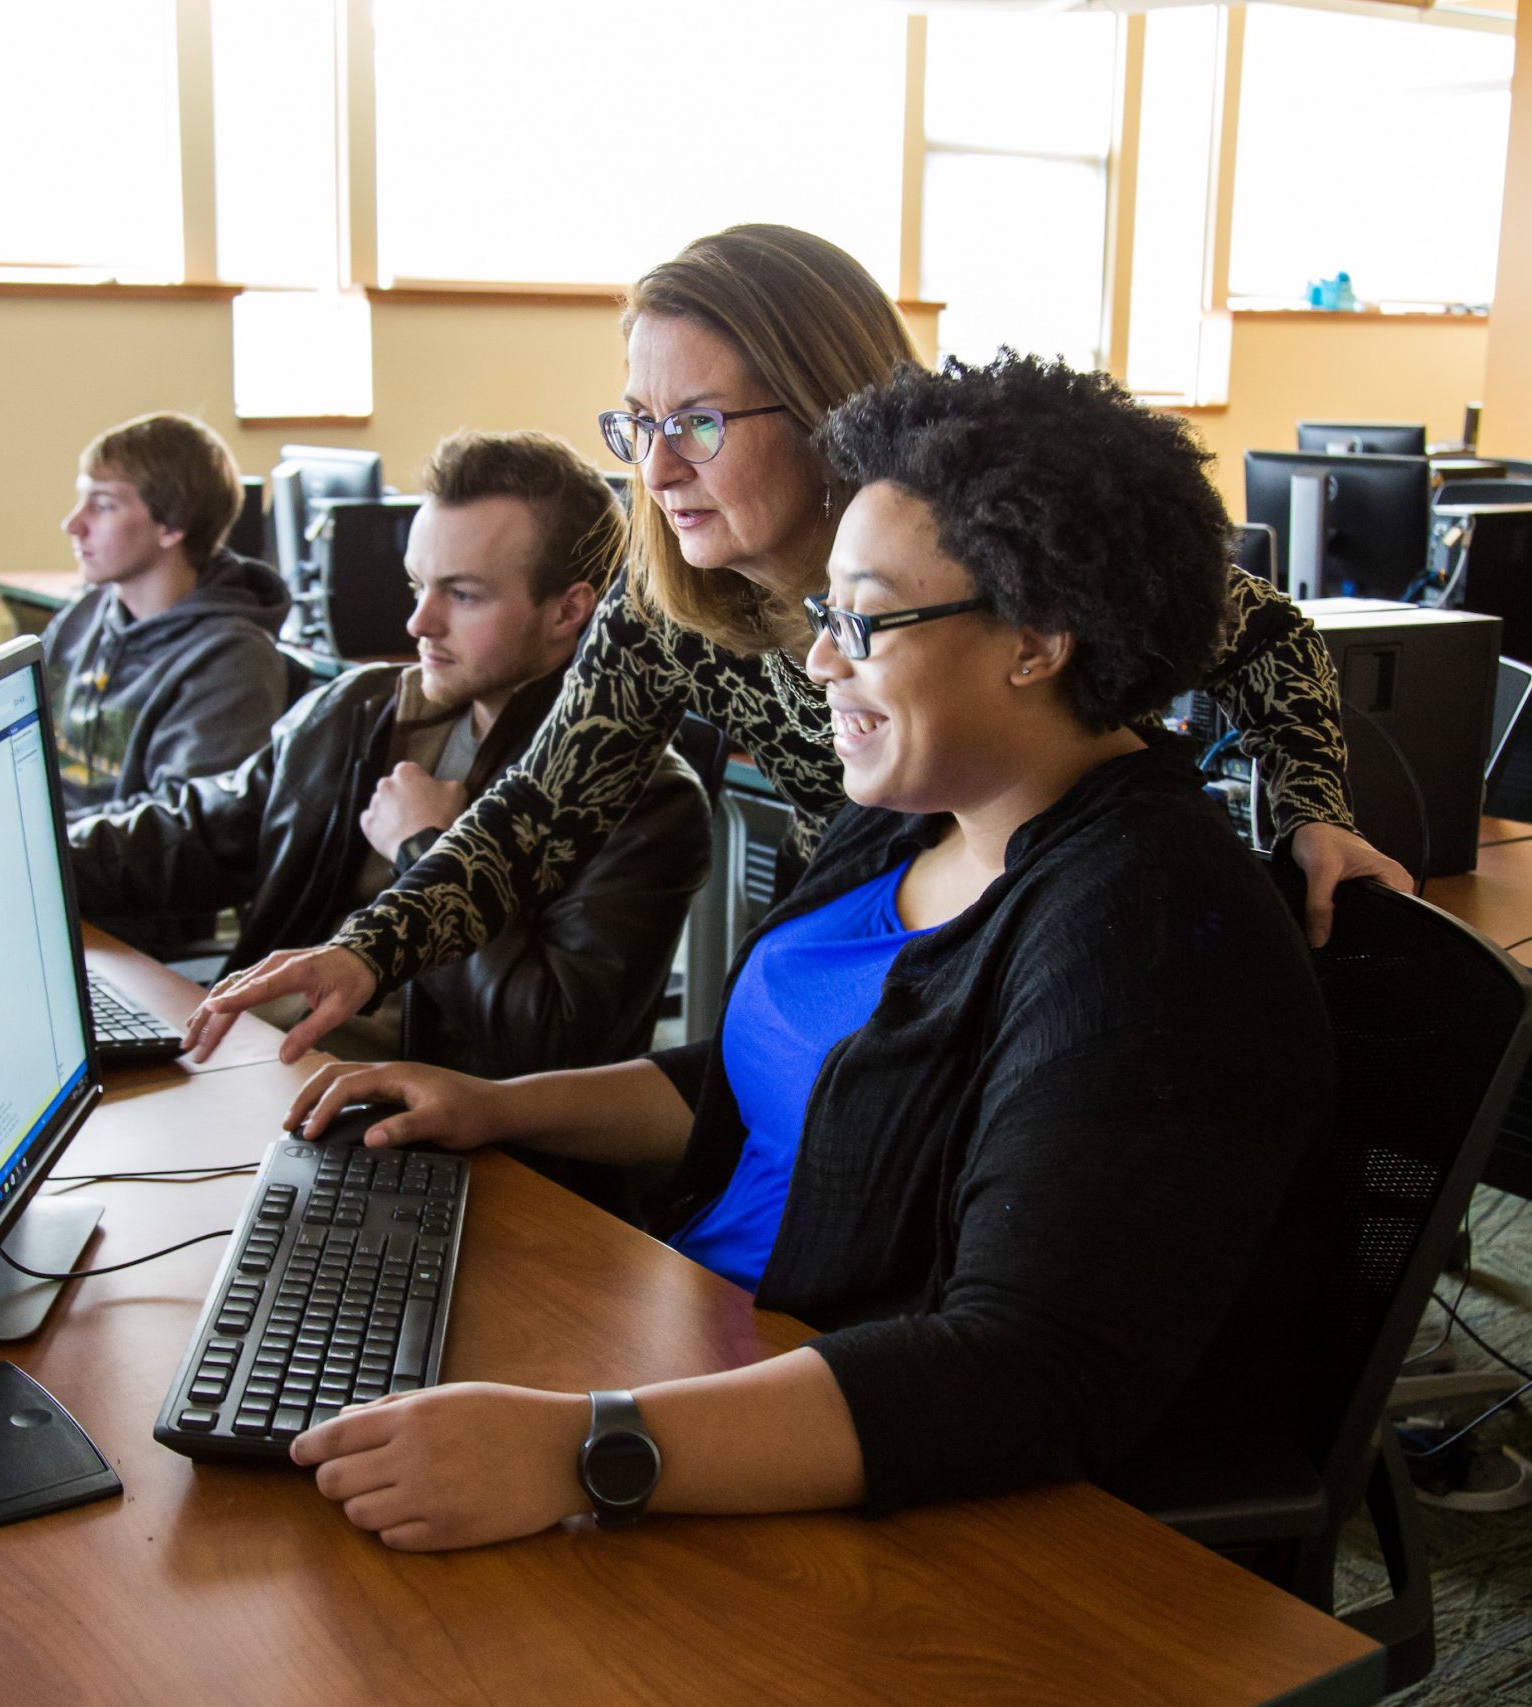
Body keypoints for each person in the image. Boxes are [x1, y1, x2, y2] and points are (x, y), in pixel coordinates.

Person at [274, 353, 1334, 1551]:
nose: (820, 660)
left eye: (864, 621)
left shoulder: (1145, 937)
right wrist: (494, 1107)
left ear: (1037, 641)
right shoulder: (911, 813)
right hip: (699, 1362)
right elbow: (774, 1087)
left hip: (848, 1469)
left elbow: (1025, 1372)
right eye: (826, 615)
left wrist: (580, 1447)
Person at [183, 224, 1408, 1065]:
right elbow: (535, 815)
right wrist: (366, 949)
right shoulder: (667, 598)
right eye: (639, 423)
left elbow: (1262, 631)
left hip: (1055, 952)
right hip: (872, 948)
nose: (656, 470)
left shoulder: (971, 545)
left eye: (701, 423)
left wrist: (1311, 807)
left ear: (826, 403)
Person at [68, 430, 710, 1078]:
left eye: (462, 595)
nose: (418, 623)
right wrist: (36, 860)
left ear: (570, 609)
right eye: (417, 586)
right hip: (257, 1062)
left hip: (427, 1130)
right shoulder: (361, 711)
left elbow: (550, 1042)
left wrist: (423, 846)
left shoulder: (645, 798)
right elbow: (194, 831)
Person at [45, 411, 291, 819]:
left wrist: (48, 840)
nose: (73, 524)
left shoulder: (232, 661)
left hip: (109, 873)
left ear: (172, 525)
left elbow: (180, 829)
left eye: (103, 505)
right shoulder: (83, 617)